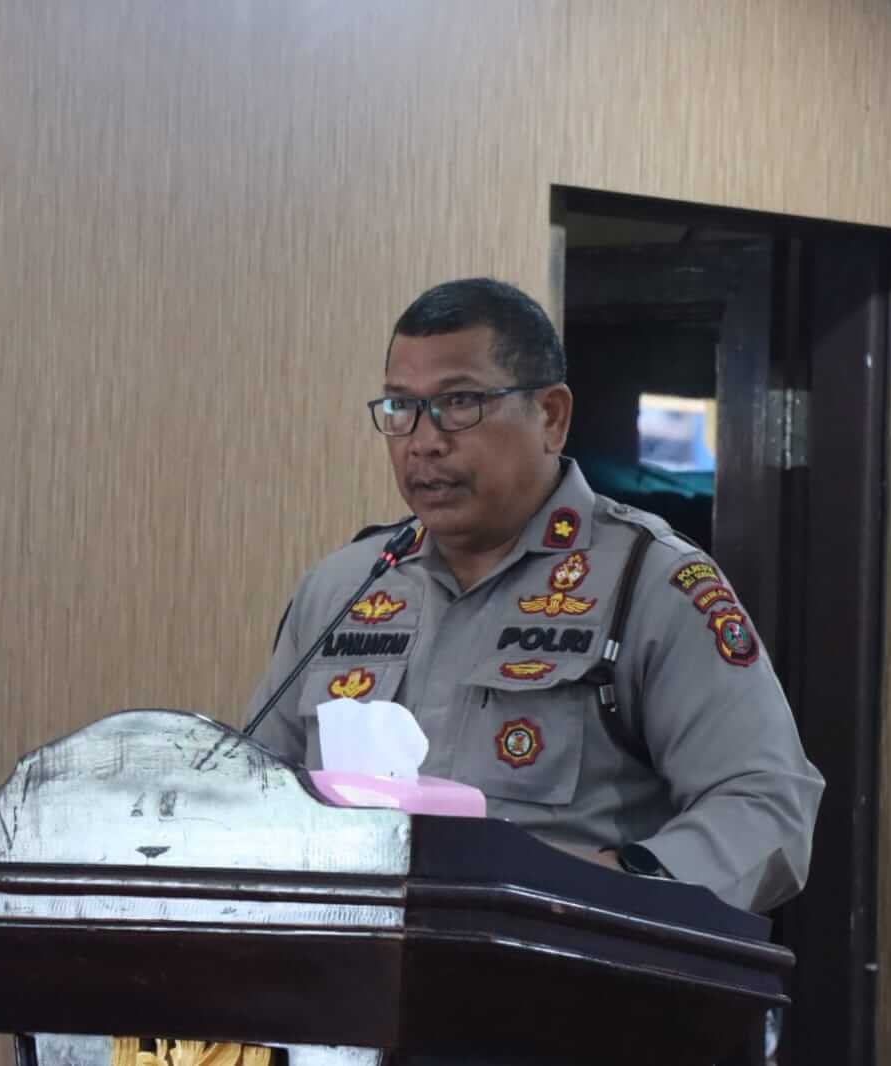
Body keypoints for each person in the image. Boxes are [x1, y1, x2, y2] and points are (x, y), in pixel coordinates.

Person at [246, 278, 823, 913]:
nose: (423, 440)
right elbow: (252, 794)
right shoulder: (344, 587)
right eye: (401, 407)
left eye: (459, 402)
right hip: (351, 959)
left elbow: (768, 806)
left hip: (562, 961)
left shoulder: (651, 582)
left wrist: (615, 884)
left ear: (550, 416)